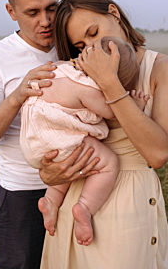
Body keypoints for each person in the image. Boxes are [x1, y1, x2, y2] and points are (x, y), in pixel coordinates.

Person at [39, 0, 168, 269]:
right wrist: (49, 172)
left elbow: (157, 154)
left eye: (94, 33)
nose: (92, 49)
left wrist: (110, 83)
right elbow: (58, 133)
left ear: (114, 13)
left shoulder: (167, 69)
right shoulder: (79, 75)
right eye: (81, 46)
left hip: (129, 209)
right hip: (78, 203)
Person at [0, 0, 100, 269]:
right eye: (32, 12)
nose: (46, 21)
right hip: (22, 198)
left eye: (52, 8)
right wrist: (18, 96)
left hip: (83, 190)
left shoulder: (75, 44)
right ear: (11, 12)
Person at [20, 36, 149, 246]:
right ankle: (85, 207)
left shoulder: (60, 68)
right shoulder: (86, 87)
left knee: (67, 166)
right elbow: (113, 112)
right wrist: (133, 104)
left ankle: (51, 201)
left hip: (33, 142)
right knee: (107, 162)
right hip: (57, 140)